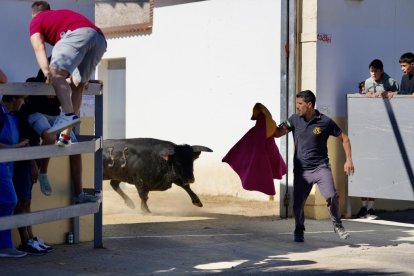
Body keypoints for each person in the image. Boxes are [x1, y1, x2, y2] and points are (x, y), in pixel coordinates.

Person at [274, 90, 354, 242]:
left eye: (300, 104)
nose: (297, 107)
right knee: (297, 205)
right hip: (301, 171)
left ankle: (337, 224)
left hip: (321, 167)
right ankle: (299, 227)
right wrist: (266, 125)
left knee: (332, 196)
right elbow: (278, 133)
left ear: (309, 105)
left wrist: (348, 160)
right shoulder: (294, 120)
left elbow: (344, 138)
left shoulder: (325, 122)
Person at [29, 1, 107, 146]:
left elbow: (38, 46)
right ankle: (66, 136)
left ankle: (67, 114)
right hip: (99, 39)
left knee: (55, 74)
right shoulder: (60, 16)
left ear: (34, 15)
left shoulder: (37, 20)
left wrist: (48, 74)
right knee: (78, 85)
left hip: (77, 34)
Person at [24, 71, 98, 203]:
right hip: (37, 113)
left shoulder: (66, 77)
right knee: (50, 137)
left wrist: (88, 82)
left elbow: (74, 81)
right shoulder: (41, 76)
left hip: (55, 115)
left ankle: (79, 194)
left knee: (75, 149)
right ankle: (43, 173)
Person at [13, 96, 52, 255]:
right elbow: (25, 142)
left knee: (27, 200)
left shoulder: (37, 116)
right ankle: (25, 240)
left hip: (33, 160)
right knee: (22, 200)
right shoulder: (23, 116)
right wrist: (33, 165)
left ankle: (30, 237)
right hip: (25, 163)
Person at [0, 94, 29, 258]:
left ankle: (5, 244)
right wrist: (15, 146)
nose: (23, 102)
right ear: (13, 99)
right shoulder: (0, 113)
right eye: (21, 99)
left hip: (9, 163)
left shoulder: (11, 115)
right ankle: (3, 246)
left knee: (6, 202)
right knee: (10, 200)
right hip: (1, 162)